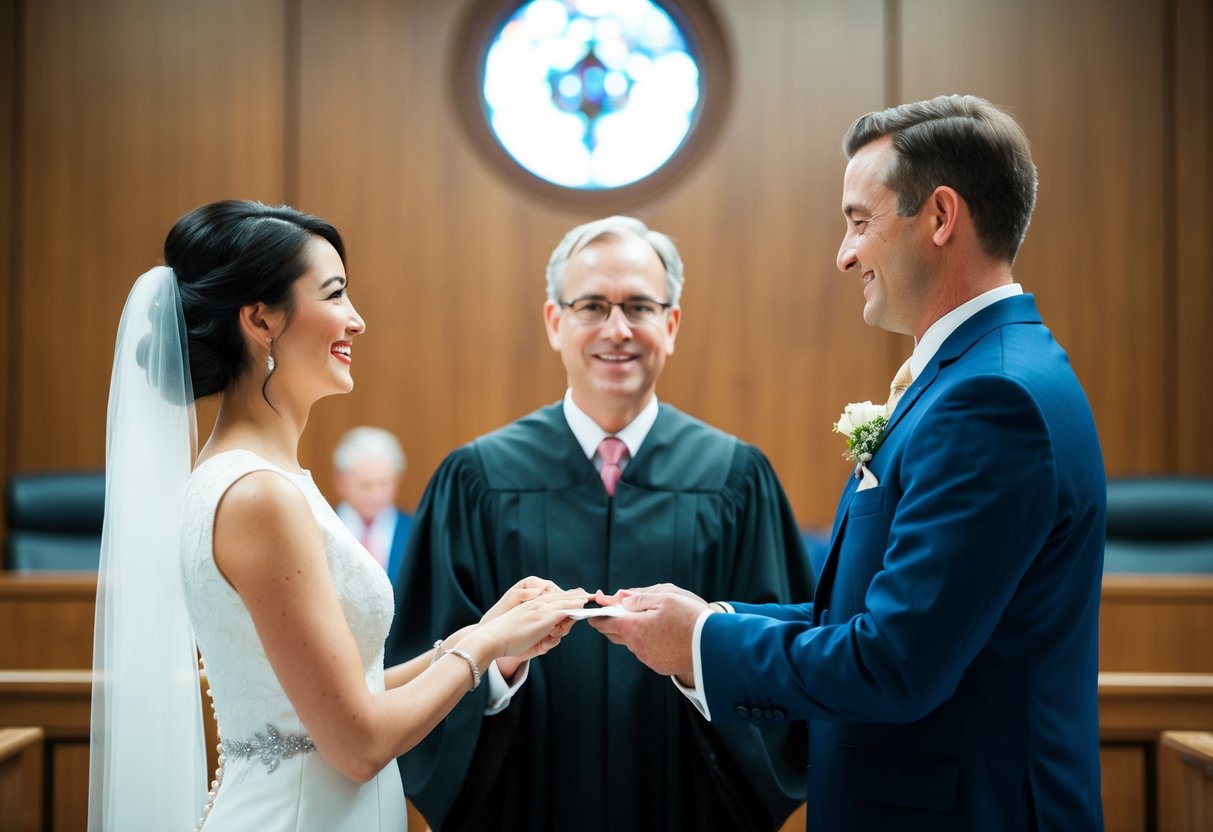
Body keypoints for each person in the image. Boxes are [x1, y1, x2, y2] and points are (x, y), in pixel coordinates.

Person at [593, 95, 1107, 830]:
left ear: (938, 217)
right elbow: (883, 613)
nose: (844, 254)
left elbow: (895, 661)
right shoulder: (984, 373)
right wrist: (711, 617)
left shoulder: (991, 398)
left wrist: (699, 644)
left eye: (858, 221)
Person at [87, 200, 587, 831]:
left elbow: (352, 694)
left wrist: (482, 636)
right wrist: (483, 644)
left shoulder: (256, 477)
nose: (357, 321)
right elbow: (357, 745)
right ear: (261, 320)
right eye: (335, 295)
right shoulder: (257, 494)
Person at [386, 216, 816, 831]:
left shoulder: (736, 479)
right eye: (592, 305)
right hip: (521, 805)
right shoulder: (476, 479)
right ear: (555, 322)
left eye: (640, 306)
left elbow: (782, 657)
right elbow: (419, 662)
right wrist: (501, 664)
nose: (618, 329)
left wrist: (697, 659)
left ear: (671, 325)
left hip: (687, 808)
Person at [333, 426, 412, 583]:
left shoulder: (417, 530)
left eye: (384, 484)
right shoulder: (318, 528)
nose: (376, 495)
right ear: (340, 482)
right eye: (365, 485)